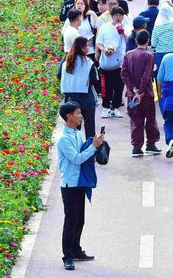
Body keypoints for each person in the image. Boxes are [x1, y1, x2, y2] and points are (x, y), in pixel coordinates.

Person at [56, 101, 104, 271]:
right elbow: (76, 159)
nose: (80, 115)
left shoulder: (77, 134)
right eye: (77, 113)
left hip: (79, 183)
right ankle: (67, 256)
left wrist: (95, 146)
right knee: (70, 221)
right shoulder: (63, 139)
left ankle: (76, 250)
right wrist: (93, 147)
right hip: (70, 185)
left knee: (79, 220)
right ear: (69, 116)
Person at [121, 30, 162, 158]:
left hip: (131, 95)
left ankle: (137, 147)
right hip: (147, 94)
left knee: (135, 120)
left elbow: (124, 74)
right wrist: (140, 91)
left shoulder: (128, 55)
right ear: (148, 40)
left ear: (136, 40)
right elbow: (146, 76)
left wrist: (133, 89)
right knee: (150, 119)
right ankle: (151, 144)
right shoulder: (149, 56)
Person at [59, 37, 101, 139]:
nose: (88, 48)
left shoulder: (66, 60)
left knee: (73, 129)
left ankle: (74, 151)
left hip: (70, 98)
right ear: (81, 48)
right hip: (86, 97)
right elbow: (95, 80)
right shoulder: (88, 62)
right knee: (90, 127)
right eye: (87, 46)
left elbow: (59, 75)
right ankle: (90, 151)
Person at [96, 6, 128, 118]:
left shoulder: (126, 27)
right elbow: (99, 43)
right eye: (116, 15)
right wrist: (104, 50)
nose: (118, 18)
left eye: (120, 15)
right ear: (112, 16)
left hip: (121, 63)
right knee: (106, 87)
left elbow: (130, 41)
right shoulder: (104, 28)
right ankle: (105, 108)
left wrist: (123, 33)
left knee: (119, 87)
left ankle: (115, 107)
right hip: (106, 63)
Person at [151, 2, 173, 76]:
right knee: (172, 74)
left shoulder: (157, 28)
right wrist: (172, 5)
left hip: (160, 54)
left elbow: (153, 44)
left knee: (161, 75)